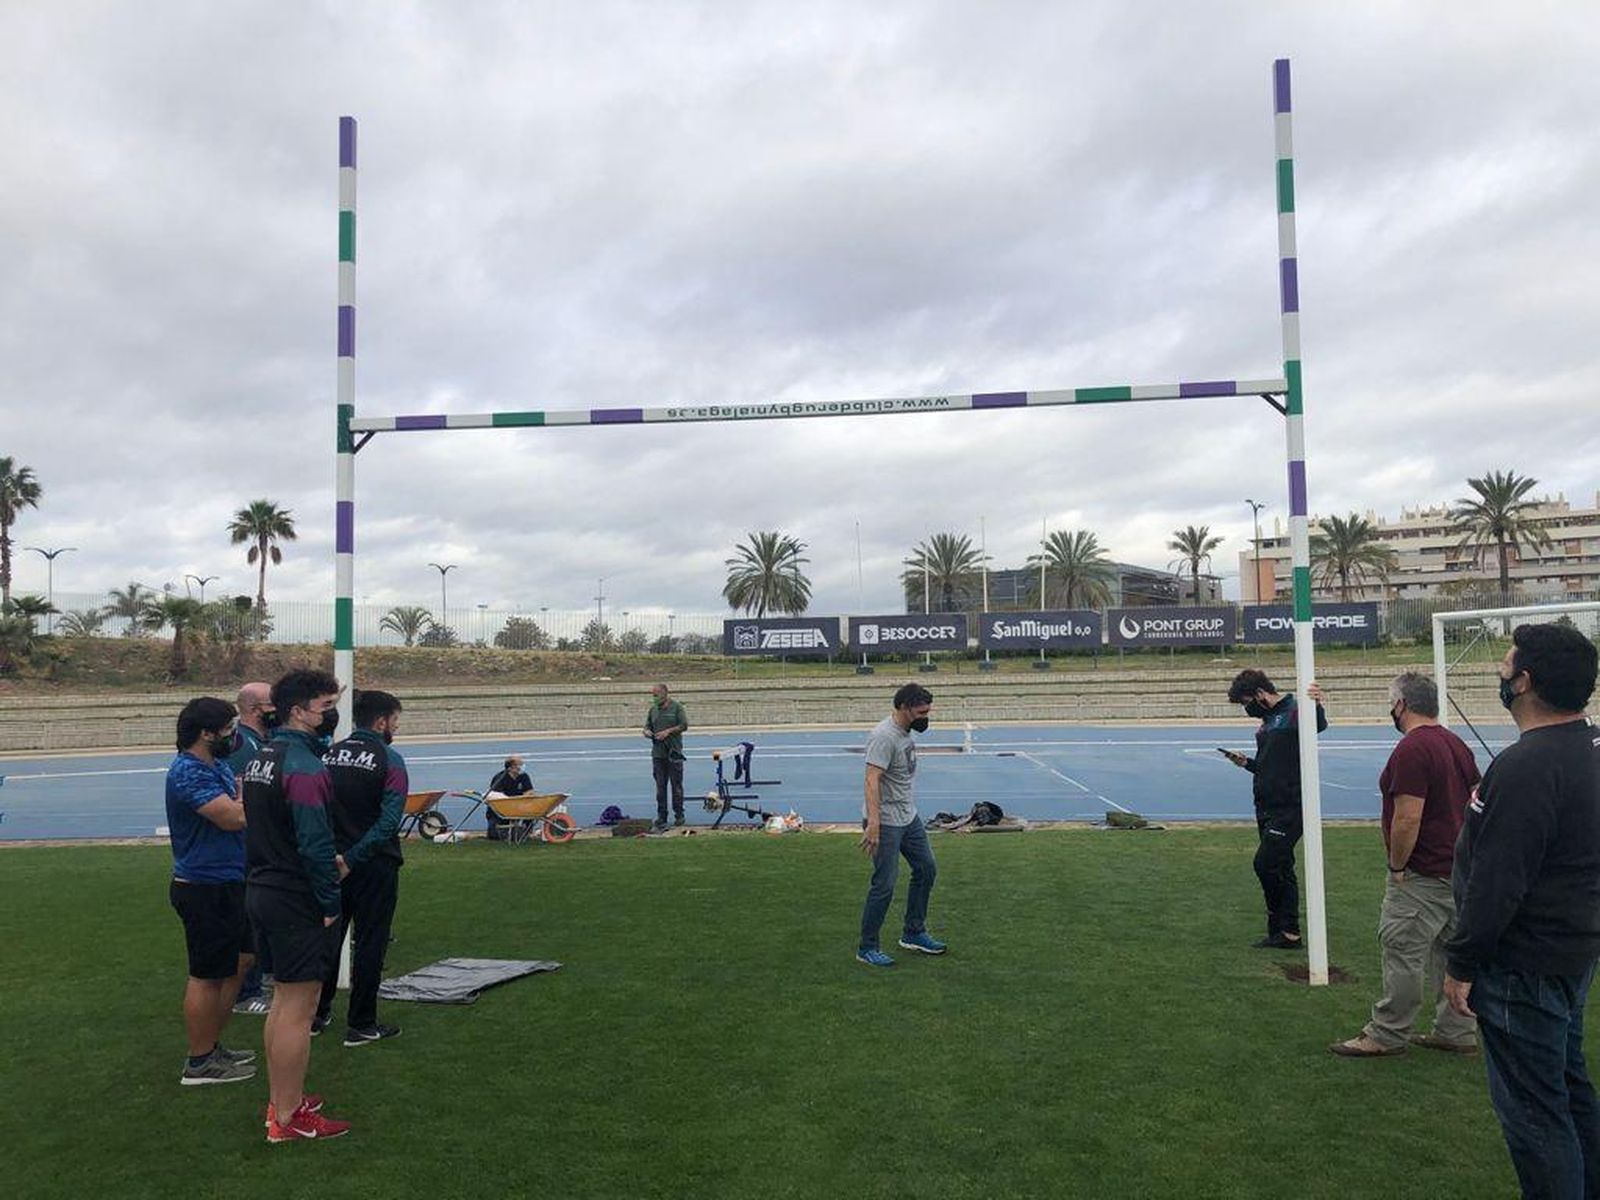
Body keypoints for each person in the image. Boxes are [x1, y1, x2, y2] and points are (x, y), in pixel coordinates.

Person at [1444, 624, 1600, 1197]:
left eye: (1507, 663)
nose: (1500, 671)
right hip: (1570, 952)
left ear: (1526, 681)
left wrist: (1462, 963)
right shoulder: (1586, 748)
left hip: (1524, 966)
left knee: (1536, 1114)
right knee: (1568, 1087)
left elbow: (1496, 885)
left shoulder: (1527, 766)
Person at [1331, 672, 1480, 1057]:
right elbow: (1475, 801)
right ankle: (1457, 1031)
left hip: (1423, 873)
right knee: (1450, 953)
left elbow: (1407, 817)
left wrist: (1398, 865)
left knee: (1402, 951)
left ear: (1402, 705)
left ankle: (1387, 1032)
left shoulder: (1413, 749)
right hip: (1458, 870)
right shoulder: (1456, 744)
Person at [242, 668, 352, 1142]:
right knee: (298, 1009)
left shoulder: (264, 756)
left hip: (263, 887)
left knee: (283, 1001)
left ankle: (281, 1102)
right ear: (297, 711)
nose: (332, 715)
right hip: (294, 895)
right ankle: (287, 1119)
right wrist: (328, 899)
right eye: (326, 707)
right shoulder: (304, 767)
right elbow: (313, 842)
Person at [165, 696, 257, 1085]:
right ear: (206, 734)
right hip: (203, 886)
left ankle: (212, 1044)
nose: (234, 736)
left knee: (241, 960)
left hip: (229, 880)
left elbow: (239, 800)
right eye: (228, 730)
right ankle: (199, 1061)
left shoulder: (215, 766)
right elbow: (233, 817)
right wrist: (256, 799)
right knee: (206, 975)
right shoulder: (188, 772)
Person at [314, 689, 408, 1046]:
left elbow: (314, 810)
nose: (396, 728)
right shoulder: (390, 760)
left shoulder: (327, 756)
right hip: (373, 865)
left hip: (331, 863)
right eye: (395, 721)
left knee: (327, 940)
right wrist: (353, 858)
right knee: (371, 943)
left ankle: (316, 1014)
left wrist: (335, 856)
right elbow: (389, 822)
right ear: (381, 722)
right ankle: (361, 1023)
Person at [1224, 670, 1327, 949]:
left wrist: (1317, 704)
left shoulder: (1294, 711)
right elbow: (1269, 764)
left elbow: (1318, 725)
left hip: (1290, 805)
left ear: (1260, 694)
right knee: (1282, 866)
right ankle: (1286, 932)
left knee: (1265, 863)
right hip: (1266, 804)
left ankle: (1282, 924)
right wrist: (1246, 763)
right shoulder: (1267, 721)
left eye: (1247, 702)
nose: (1247, 709)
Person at [856, 683, 945, 967]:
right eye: (921, 712)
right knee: (884, 884)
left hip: (908, 816)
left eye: (928, 711)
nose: (925, 717)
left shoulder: (905, 731)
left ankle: (913, 932)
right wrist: (874, 823)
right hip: (886, 821)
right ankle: (867, 948)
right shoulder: (884, 737)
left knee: (926, 869)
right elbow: (871, 779)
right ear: (905, 707)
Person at [229, 681, 276, 1015]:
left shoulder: (261, 741)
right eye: (271, 704)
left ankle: (262, 976)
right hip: (248, 844)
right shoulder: (241, 745)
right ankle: (246, 991)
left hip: (262, 841)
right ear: (254, 709)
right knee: (250, 918)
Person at [643, 683, 689, 830]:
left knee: (676, 786)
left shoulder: (677, 707)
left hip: (673, 753)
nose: (654, 697)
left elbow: (684, 725)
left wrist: (668, 732)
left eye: (656, 695)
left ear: (664, 693)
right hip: (658, 754)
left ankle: (679, 814)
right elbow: (647, 726)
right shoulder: (653, 710)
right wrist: (646, 732)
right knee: (660, 787)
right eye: (653, 695)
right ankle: (662, 816)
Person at [484, 755, 534, 840]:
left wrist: (519, 801)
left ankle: (527, 832)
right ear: (510, 768)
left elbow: (529, 792)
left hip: (519, 806)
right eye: (519, 765)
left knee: (532, 809)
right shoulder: (500, 778)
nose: (522, 767)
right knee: (494, 835)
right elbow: (496, 797)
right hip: (500, 809)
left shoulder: (524, 776)